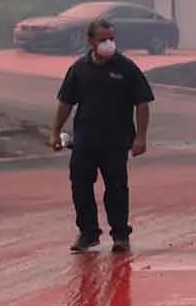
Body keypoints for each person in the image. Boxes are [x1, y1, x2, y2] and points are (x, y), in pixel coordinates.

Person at [50, 16, 155, 254]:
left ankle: (120, 235)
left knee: (117, 188)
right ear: (90, 41)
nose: (109, 43)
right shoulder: (79, 69)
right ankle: (88, 234)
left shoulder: (126, 68)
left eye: (112, 39)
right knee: (81, 187)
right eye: (103, 39)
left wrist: (140, 137)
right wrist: (55, 132)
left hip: (116, 141)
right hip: (85, 140)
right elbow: (65, 102)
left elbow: (143, 103)